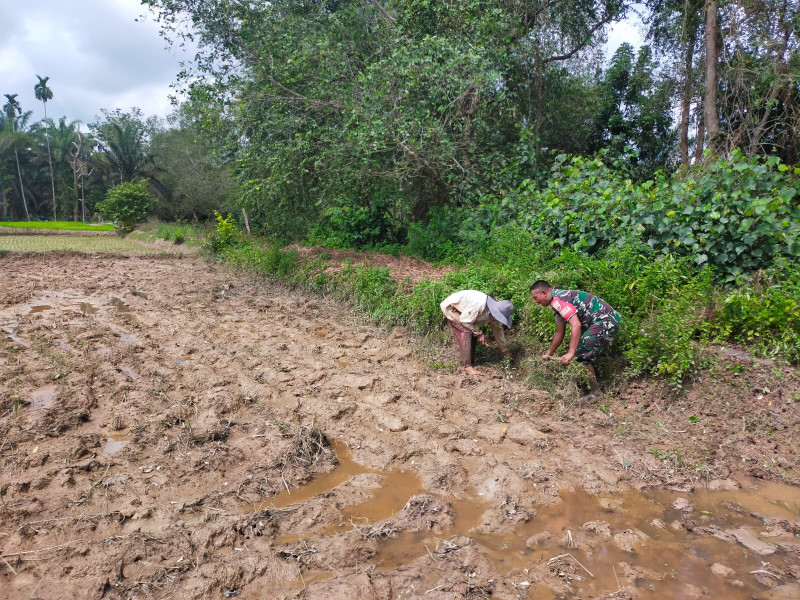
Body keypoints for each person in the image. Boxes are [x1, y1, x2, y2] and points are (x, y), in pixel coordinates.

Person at [529, 280, 621, 401]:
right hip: (603, 321)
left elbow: (576, 325)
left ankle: (596, 393)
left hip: (604, 321)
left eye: (536, 298)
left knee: (580, 356)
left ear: (544, 293)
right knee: (579, 354)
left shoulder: (559, 301)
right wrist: (549, 353)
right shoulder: (557, 303)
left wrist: (571, 352)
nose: (535, 302)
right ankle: (570, 391)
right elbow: (559, 332)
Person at [440, 290, 513, 376]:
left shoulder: (493, 314)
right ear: (495, 313)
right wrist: (479, 334)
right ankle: (468, 367)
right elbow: (465, 321)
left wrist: (505, 350)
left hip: (464, 313)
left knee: (472, 331)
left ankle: (470, 363)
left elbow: (498, 330)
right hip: (452, 307)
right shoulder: (480, 305)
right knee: (467, 331)